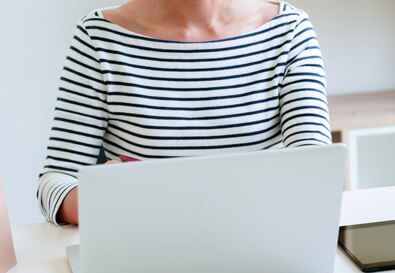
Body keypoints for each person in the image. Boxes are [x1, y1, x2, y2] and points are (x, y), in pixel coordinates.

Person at [36, 0, 331, 226]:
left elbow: (315, 173)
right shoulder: (98, 37)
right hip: (145, 254)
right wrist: (106, 198)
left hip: (264, 245)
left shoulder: (290, 31)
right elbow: (56, 182)